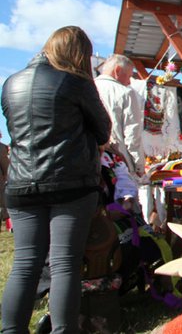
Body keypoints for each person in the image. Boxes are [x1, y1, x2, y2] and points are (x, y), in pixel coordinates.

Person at [1, 26, 111, 333]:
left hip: (21, 183)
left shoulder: (11, 83)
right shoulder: (75, 82)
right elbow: (103, 130)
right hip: (69, 184)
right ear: (80, 54)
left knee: (25, 265)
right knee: (64, 263)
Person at [95, 54, 146, 207]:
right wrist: (138, 166)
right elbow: (132, 135)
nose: (130, 81)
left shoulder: (87, 88)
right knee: (123, 208)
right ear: (117, 70)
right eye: (129, 76)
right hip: (118, 162)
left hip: (92, 160)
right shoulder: (125, 93)